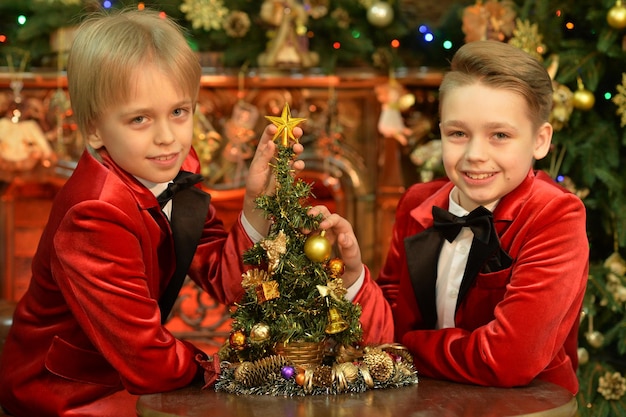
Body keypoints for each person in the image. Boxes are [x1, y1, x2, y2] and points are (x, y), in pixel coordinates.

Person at [0, 8, 390, 417]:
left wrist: (254, 207)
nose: (167, 137)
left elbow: (228, 286)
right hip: (67, 391)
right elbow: (146, 359)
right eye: (139, 119)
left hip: (131, 377)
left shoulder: (176, 167)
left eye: (178, 112)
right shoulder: (93, 213)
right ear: (95, 129)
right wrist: (231, 370)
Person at [376, 40, 588, 395]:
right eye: (458, 134)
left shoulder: (555, 215)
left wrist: (406, 350)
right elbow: (390, 311)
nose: (475, 155)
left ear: (540, 140)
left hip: (520, 407)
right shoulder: (417, 203)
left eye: (500, 135)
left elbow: (510, 358)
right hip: (422, 401)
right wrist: (352, 278)